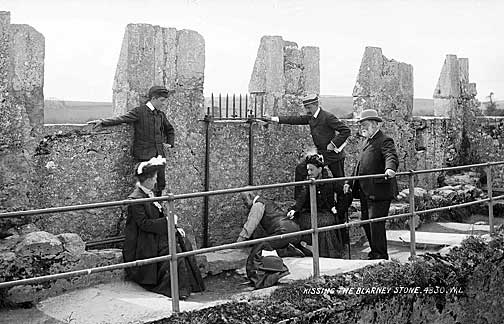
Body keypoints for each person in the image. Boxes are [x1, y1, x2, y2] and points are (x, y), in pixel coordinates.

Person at [122, 157, 205, 299]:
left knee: (183, 242)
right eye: (154, 178)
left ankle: (190, 286)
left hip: (154, 236)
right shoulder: (135, 200)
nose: (155, 181)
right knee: (173, 250)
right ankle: (176, 291)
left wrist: (174, 226)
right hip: (143, 242)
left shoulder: (149, 194)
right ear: (147, 180)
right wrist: (167, 221)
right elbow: (144, 224)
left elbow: (160, 215)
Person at [88, 85, 175, 196]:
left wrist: (170, 144)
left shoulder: (161, 115)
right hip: (145, 155)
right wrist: (103, 121)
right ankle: (145, 210)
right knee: (145, 186)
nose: (164, 104)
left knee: (161, 184)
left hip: (159, 155)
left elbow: (170, 129)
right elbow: (122, 118)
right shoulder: (139, 112)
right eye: (162, 100)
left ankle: (158, 210)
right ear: (153, 99)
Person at [343, 109, 399, 260]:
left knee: (376, 224)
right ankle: (375, 253)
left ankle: (381, 255)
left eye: (366, 125)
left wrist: (390, 168)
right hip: (365, 190)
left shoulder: (385, 140)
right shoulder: (366, 142)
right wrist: (349, 181)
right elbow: (359, 165)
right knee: (367, 223)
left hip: (379, 190)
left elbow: (391, 156)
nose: (363, 128)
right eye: (361, 125)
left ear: (376, 125)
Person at [263, 94, 351, 180]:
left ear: (316, 105)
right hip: (321, 154)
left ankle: (344, 194)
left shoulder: (328, 117)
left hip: (334, 156)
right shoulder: (310, 117)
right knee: (301, 169)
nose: (307, 110)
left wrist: (333, 144)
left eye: (309, 108)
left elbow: (346, 130)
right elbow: (294, 119)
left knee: (340, 182)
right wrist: (273, 119)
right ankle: (302, 194)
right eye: (306, 108)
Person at [287, 154, 346, 258]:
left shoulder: (329, 181)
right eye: (308, 170)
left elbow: (345, 193)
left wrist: (339, 209)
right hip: (309, 212)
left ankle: (326, 253)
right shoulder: (308, 182)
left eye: (311, 170)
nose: (309, 173)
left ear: (319, 169)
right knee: (300, 221)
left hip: (326, 212)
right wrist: (294, 209)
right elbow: (302, 197)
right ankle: (305, 249)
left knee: (324, 223)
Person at [237, 190, 306, 257]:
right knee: (268, 244)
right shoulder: (268, 202)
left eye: (244, 199)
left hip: (283, 232)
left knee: (258, 249)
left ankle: (286, 251)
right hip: (295, 230)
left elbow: (250, 226)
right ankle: (290, 248)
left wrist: (237, 244)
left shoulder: (258, 205)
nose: (244, 203)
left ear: (250, 196)